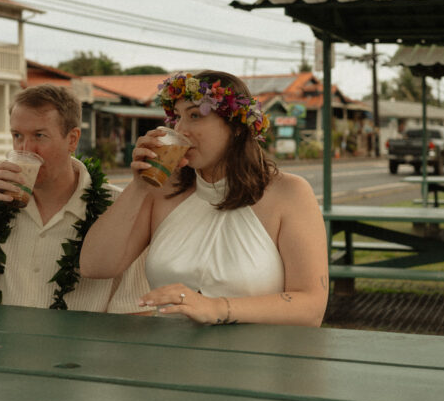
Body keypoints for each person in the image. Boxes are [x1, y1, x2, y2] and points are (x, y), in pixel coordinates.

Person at [80, 70, 328, 326]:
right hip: (169, 358)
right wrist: (138, 187)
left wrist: (215, 307)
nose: (181, 129)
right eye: (177, 117)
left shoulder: (289, 193)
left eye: (195, 115)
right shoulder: (163, 191)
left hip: (255, 361)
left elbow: (311, 308)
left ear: (236, 128)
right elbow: (95, 266)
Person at [0, 84, 148, 313]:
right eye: (17, 135)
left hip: (75, 356)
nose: (25, 149)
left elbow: (133, 313)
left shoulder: (117, 207)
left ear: (72, 139)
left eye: (39, 136)